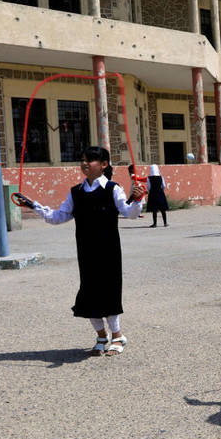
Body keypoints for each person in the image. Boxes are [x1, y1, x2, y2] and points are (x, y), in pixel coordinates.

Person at [25, 146, 144, 356]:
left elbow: (130, 213)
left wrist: (137, 199)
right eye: (82, 160)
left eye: (90, 160)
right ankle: (101, 336)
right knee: (88, 295)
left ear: (104, 165)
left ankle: (117, 337)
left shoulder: (113, 189)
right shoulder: (76, 193)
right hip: (86, 251)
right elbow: (58, 217)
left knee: (109, 293)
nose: (85, 163)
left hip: (109, 252)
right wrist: (34, 206)